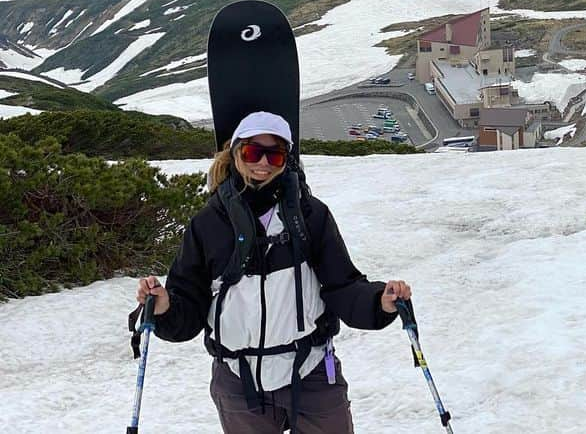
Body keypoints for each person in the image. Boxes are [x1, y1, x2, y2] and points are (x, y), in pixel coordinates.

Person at [135, 111, 411, 433]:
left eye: (275, 154)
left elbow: (342, 284)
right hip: (239, 378)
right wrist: (166, 305)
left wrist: (380, 301)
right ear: (237, 152)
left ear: (286, 160)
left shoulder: (310, 215)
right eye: (254, 152)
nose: (262, 163)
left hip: (311, 370)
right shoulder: (208, 224)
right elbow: (190, 303)